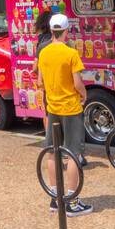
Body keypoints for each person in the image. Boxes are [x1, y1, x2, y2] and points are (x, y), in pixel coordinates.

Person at [36, 13, 93, 216]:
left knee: (52, 152)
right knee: (73, 154)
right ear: (66, 31)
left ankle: (55, 198)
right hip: (70, 108)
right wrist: (84, 95)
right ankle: (72, 201)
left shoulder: (43, 53)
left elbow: (40, 81)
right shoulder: (70, 53)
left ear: (51, 31)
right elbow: (77, 82)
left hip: (52, 108)